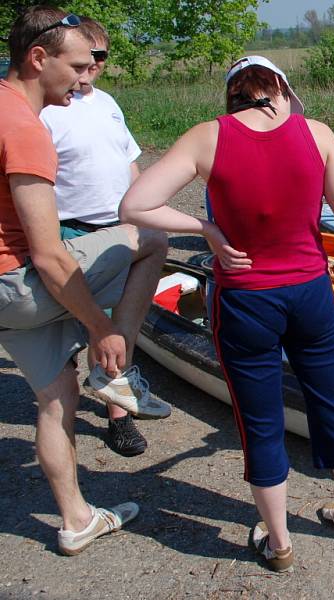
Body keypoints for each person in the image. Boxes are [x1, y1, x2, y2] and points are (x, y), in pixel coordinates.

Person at [119, 55, 334, 572]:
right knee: (332, 404)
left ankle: (279, 545)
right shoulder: (317, 134)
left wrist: (207, 231)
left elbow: (135, 205)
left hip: (246, 301)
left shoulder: (206, 137)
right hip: (310, 296)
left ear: (233, 94)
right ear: (280, 89)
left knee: (260, 423)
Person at [0, 6, 169, 555]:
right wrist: (102, 329)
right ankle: (118, 371)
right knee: (151, 241)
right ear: (38, 57)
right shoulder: (25, 128)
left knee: (56, 398)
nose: (84, 76)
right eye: (76, 65)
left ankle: (76, 520)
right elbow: (49, 258)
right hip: (17, 285)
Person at [40, 16, 154, 457]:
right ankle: (61, 407)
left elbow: (128, 160)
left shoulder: (107, 103)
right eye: (87, 57)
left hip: (116, 226)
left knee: (110, 322)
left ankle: (117, 415)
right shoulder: (48, 109)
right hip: (70, 228)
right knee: (82, 322)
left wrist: (143, 207)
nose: (93, 66)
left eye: (101, 57)